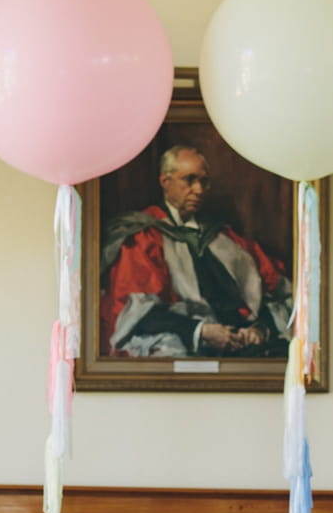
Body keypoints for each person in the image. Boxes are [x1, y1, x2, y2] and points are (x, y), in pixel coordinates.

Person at [99, 145, 293, 358]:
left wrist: (259, 329)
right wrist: (201, 331)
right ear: (165, 181)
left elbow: (275, 292)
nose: (199, 190)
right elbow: (137, 314)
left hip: (239, 348)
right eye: (189, 180)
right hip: (182, 345)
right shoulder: (142, 239)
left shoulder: (225, 238)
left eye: (204, 182)